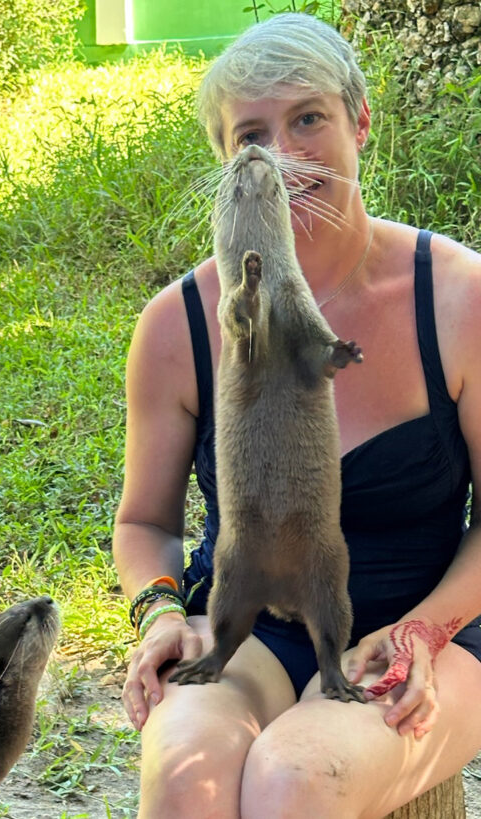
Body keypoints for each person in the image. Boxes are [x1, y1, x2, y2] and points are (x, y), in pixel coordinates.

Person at [114, 12, 481, 818]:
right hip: (253, 620)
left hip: (442, 626)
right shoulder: (178, 324)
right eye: (251, 134)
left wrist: (423, 630)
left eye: (308, 118)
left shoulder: (456, 296)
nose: (280, 154)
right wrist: (163, 611)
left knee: (296, 779)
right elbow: (145, 521)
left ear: (360, 123)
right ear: (222, 160)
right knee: (186, 780)